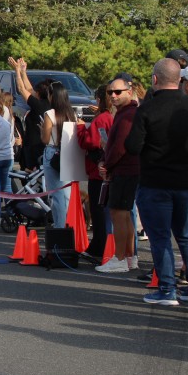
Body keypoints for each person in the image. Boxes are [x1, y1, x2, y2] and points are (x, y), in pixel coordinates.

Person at [127, 58, 188, 305]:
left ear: (155, 79)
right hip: (186, 181)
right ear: (180, 80)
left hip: (155, 181)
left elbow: (133, 146)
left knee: (160, 238)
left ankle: (167, 289)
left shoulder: (147, 109)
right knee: (187, 236)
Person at [95, 76, 140, 273]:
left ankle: (120, 258)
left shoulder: (128, 114)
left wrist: (107, 164)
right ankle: (129, 257)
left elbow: (120, 147)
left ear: (129, 92)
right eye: (110, 92)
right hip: (127, 169)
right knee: (125, 214)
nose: (113, 96)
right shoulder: (125, 113)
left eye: (118, 92)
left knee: (118, 213)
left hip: (124, 170)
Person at [76, 84, 114, 258]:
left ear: (99, 99)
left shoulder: (101, 119)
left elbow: (90, 142)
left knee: (98, 213)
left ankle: (99, 248)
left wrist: (80, 128)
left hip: (98, 171)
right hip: (109, 170)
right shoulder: (112, 116)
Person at [40, 82, 78, 228]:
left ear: (52, 96)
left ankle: (59, 227)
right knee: (67, 194)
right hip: (68, 152)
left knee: (56, 194)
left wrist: (42, 130)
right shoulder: (72, 113)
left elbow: (45, 139)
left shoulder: (50, 114)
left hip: (52, 152)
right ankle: (68, 227)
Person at [10, 57, 52, 170]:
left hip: (34, 148)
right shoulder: (49, 103)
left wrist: (17, 71)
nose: (32, 92)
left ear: (38, 94)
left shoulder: (39, 105)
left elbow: (22, 89)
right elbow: (29, 89)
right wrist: (23, 72)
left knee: (31, 174)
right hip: (39, 145)